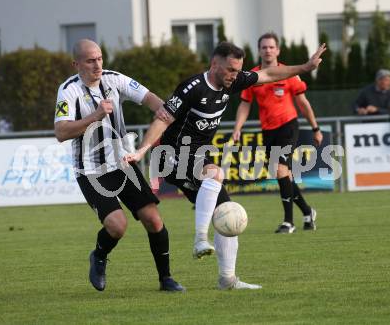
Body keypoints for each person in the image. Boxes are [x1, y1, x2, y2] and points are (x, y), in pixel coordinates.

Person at [124, 41, 326, 289]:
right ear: (215, 65)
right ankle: (200, 239)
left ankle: (228, 279)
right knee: (215, 174)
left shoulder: (235, 80)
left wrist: (305, 67)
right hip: (171, 155)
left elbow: (270, 74)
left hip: (198, 154)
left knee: (226, 210)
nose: (235, 75)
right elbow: (162, 119)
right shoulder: (192, 88)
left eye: (238, 70)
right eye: (230, 69)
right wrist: (142, 150)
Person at [54, 39, 184, 292]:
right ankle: (99, 256)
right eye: (90, 60)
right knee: (117, 225)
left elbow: (149, 98)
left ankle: (166, 279)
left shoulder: (114, 79)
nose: (97, 65)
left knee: (153, 219)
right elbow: (60, 132)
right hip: (91, 171)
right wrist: (94, 116)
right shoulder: (68, 90)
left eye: (100, 58)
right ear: (76, 64)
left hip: (121, 163)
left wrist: (163, 113)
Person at [233, 32, 322, 234]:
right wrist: (237, 127)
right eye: (264, 47)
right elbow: (245, 104)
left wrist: (315, 128)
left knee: (281, 169)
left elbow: (303, 103)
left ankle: (288, 222)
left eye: (271, 47)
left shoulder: (289, 73)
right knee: (284, 175)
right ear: (259, 50)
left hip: (288, 126)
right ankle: (308, 212)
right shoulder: (253, 76)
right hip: (268, 131)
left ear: (278, 50)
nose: (268, 50)